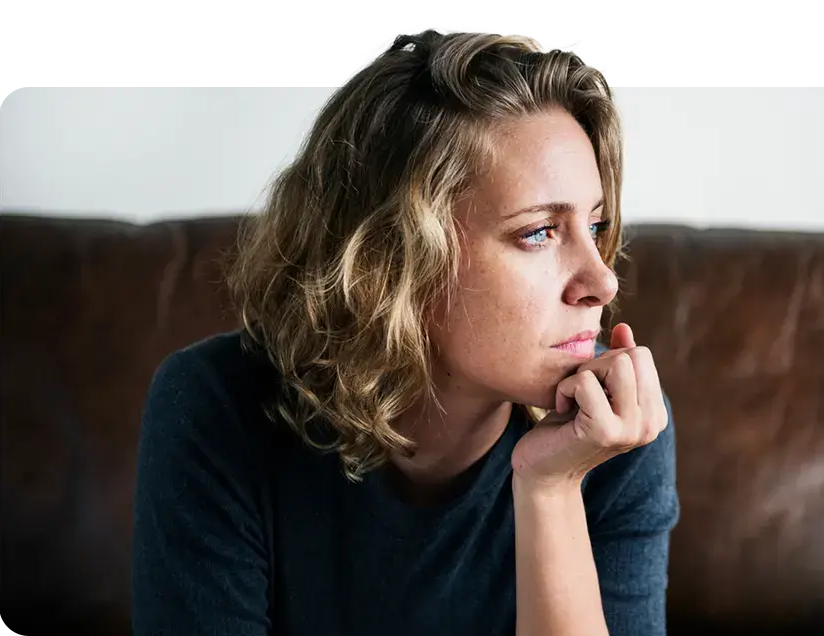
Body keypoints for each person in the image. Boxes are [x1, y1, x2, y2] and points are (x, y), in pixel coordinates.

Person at [131, 27, 679, 636]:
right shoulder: (215, 406)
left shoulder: (615, 432)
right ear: (394, 259)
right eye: (538, 233)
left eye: (596, 227)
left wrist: (550, 487)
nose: (602, 282)